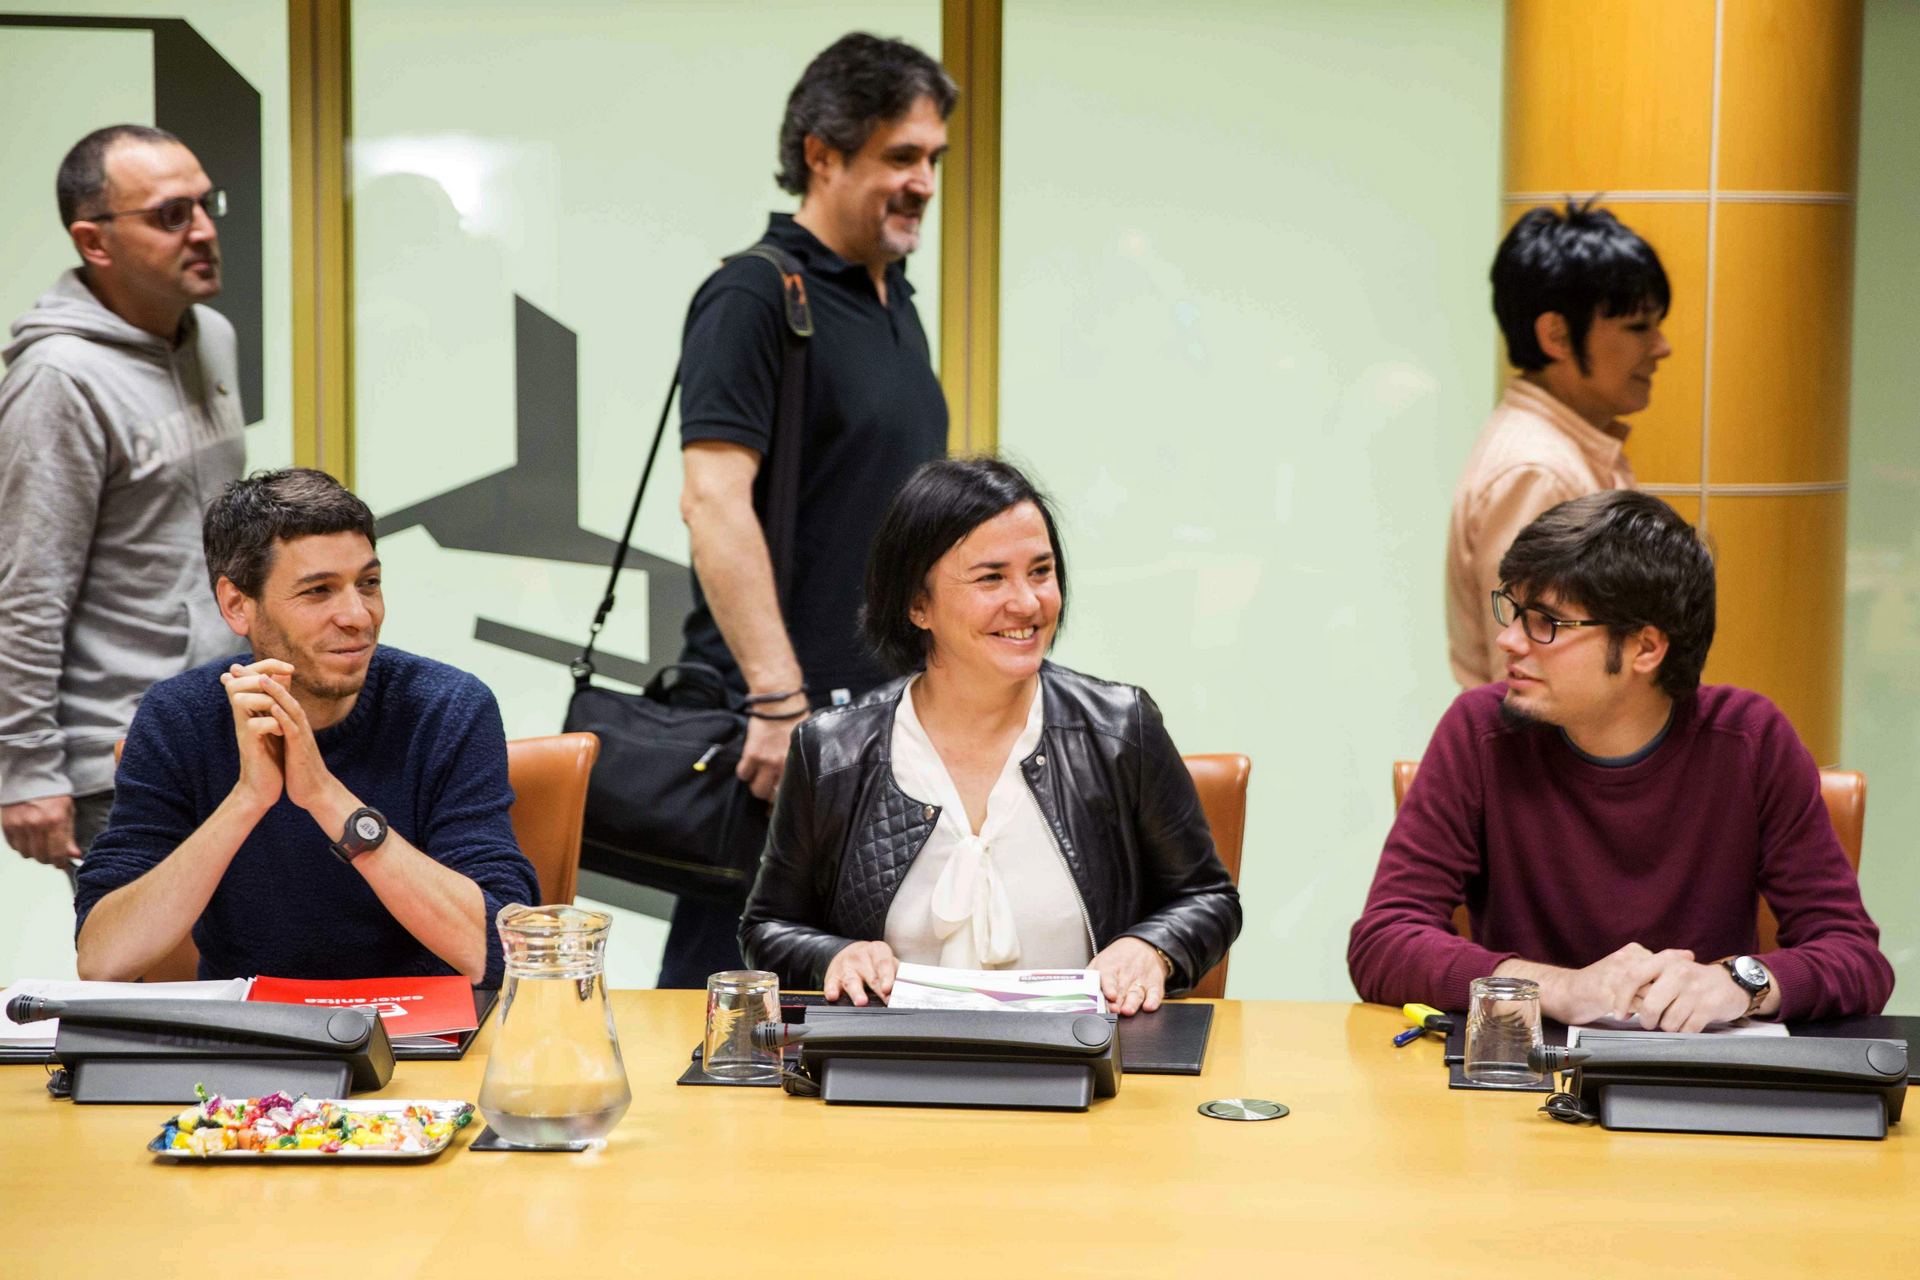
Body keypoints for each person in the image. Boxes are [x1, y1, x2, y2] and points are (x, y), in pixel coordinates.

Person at [1353, 491, 1893, 1027]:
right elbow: (1384, 940)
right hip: (1523, 1079)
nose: (1509, 640)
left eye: (1545, 621)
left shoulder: (1750, 740)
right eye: (1513, 610)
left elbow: (1856, 956)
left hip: (1699, 1076)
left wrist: (1738, 983)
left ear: (1645, 648)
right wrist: (1559, 987)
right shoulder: (1480, 731)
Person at [663, 33, 958, 986]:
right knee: (733, 1000)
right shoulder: (756, 293)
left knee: (864, 998)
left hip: (882, 718)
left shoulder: (892, 299)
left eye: (932, 160)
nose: (922, 182)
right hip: (781, 726)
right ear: (822, 154)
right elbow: (712, 501)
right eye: (899, 157)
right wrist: (777, 699)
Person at [740, 459, 1242, 1015]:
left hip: (1085, 1064)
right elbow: (768, 928)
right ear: (917, 604)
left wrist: (1151, 947)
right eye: (991, 577)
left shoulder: (1120, 728)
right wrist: (834, 955)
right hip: (887, 1071)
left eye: (1041, 571)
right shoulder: (831, 752)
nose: (1027, 603)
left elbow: (1207, 898)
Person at [75, 469, 539, 985]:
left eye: (368, 584)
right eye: (318, 591)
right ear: (236, 605)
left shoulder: (447, 708)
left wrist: (323, 795)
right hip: (250, 1042)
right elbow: (102, 958)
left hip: (423, 1038)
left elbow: (502, 950)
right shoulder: (179, 717)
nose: (358, 616)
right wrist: (248, 799)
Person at [0, 124, 245, 880]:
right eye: (172, 215)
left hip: (225, 729)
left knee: (247, 976)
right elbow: (25, 590)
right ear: (94, 242)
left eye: (206, 206)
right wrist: (28, 770)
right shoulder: (57, 381)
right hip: (121, 758)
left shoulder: (212, 336)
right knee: (154, 993)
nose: (203, 231)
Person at [1446, 201, 1673, 688]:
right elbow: (1530, 680)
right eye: (1638, 327)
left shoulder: (1567, 450)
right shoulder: (1538, 469)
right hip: (1552, 764)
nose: (1661, 347)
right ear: (1556, 335)